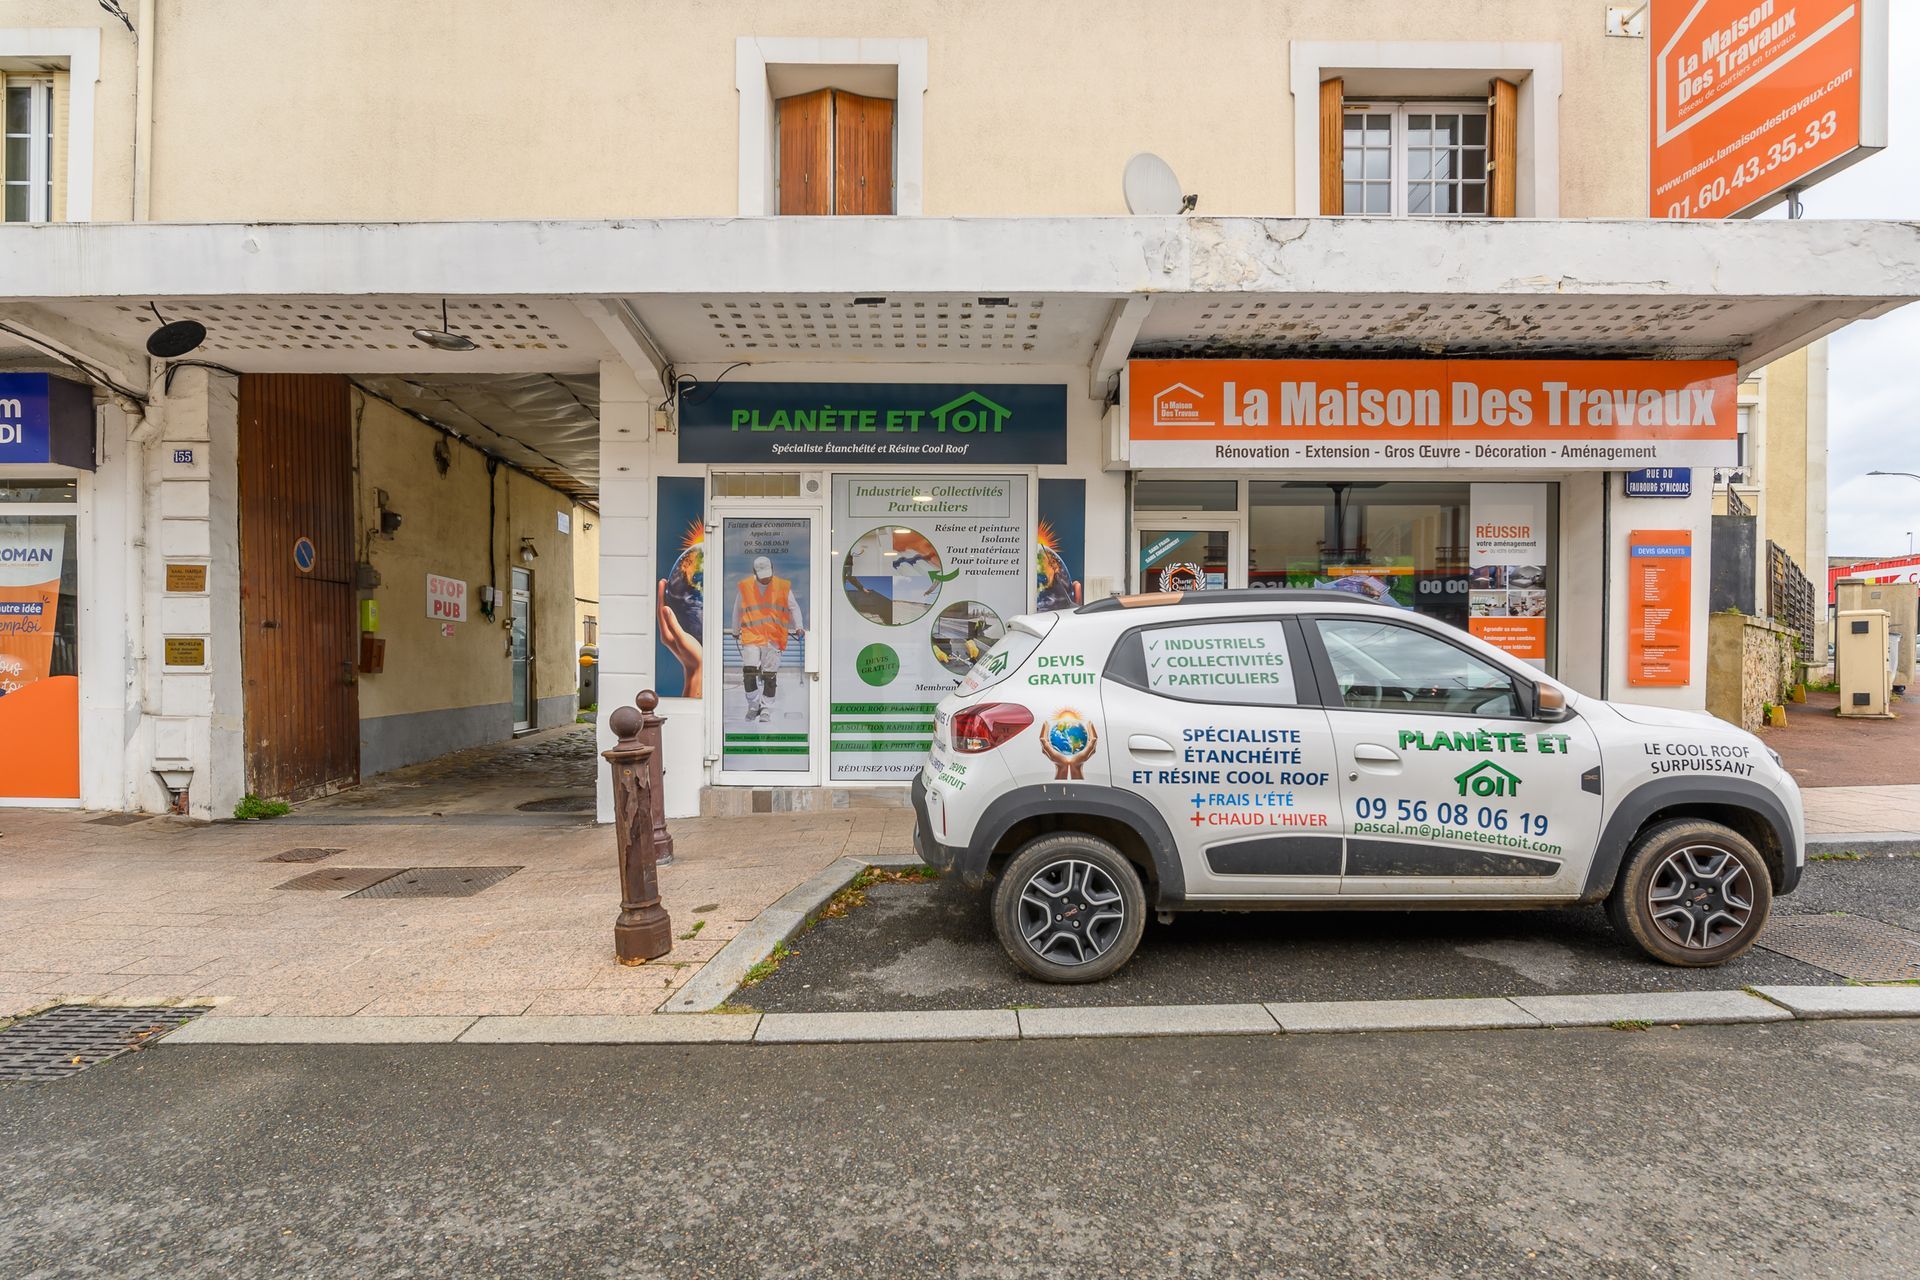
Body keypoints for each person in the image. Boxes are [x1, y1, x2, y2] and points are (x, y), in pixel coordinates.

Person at [730, 555, 806, 722]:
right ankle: (753, 705)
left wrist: (799, 626)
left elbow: (794, 608)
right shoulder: (745, 587)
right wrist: (735, 630)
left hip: (774, 636)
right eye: (762, 577)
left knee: (770, 674)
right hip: (752, 634)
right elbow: (737, 611)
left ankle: (766, 707)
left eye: (768, 576)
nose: (766, 580)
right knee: (749, 671)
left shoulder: (783, 586)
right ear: (754, 573)